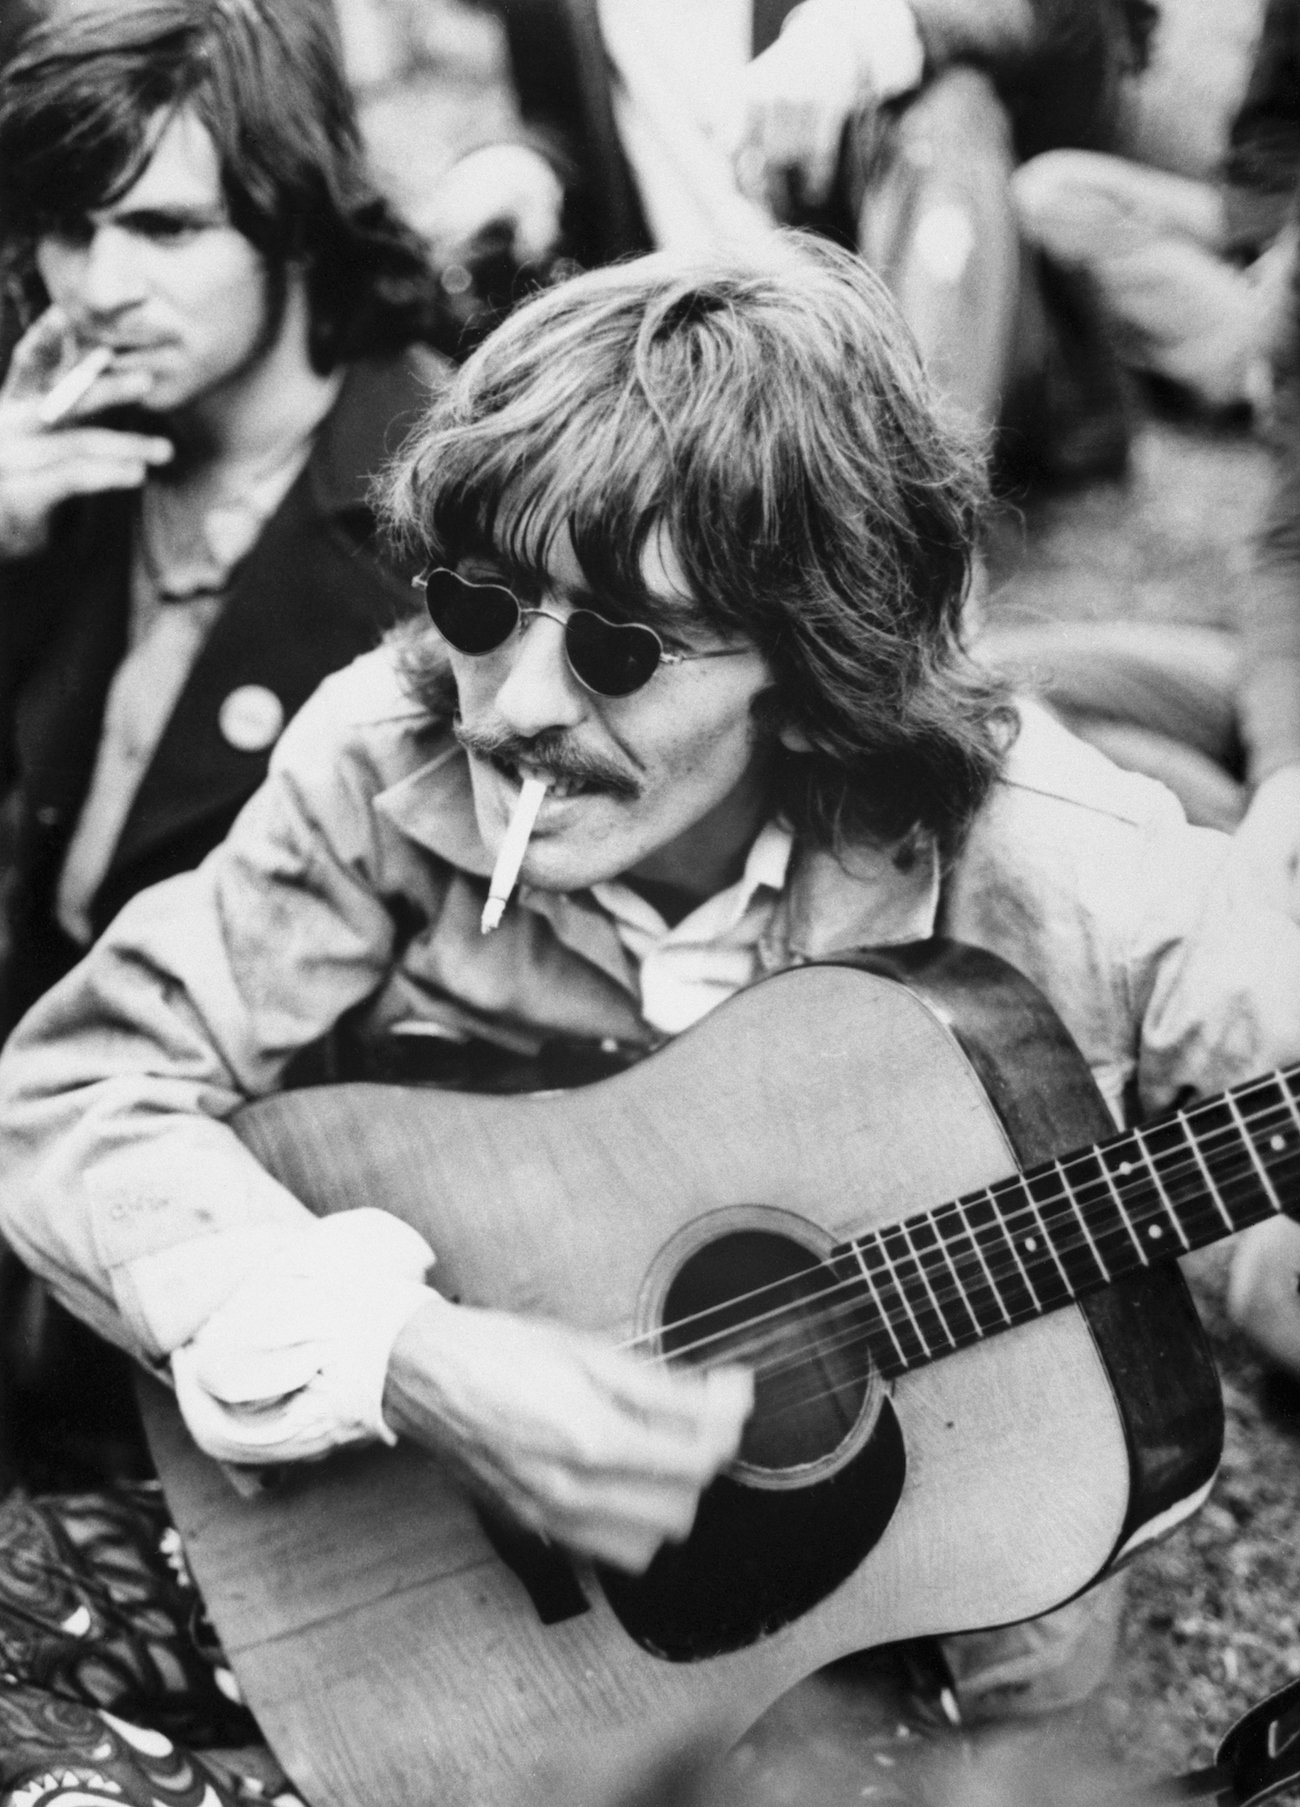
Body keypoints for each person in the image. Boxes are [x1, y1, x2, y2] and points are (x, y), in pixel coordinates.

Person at [0, 237, 1296, 1799]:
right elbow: (69, 1090)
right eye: (482, 600)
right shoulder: (387, 756)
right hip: (398, 1543)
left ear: (820, 673)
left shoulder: (1084, 871)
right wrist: (408, 1351)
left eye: (622, 643)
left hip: (865, 1690)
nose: (519, 698)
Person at [0, 0, 453, 1488]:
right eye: (69, 226)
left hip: (247, 1240)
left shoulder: (437, 515)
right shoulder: (63, 442)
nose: (100, 285)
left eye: (166, 227)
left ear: (296, 215)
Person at [427, 0, 1156, 477]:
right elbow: (552, 114)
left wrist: (874, 30)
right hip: (700, 339)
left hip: (934, 337)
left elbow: (1082, 25)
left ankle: (911, 510)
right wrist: (517, 164)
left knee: (948, 104)